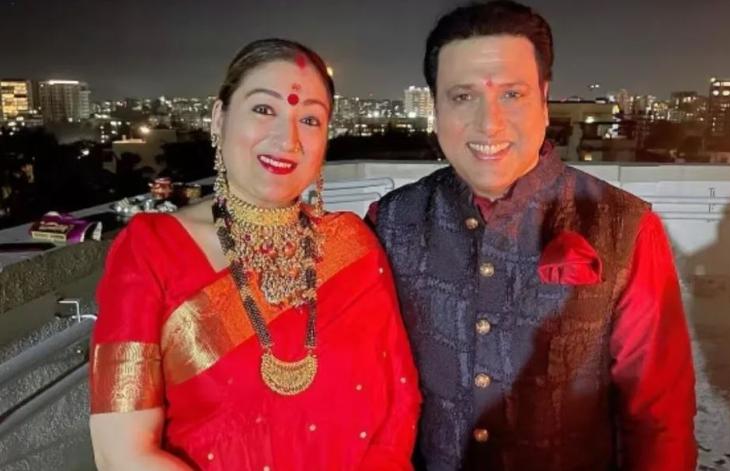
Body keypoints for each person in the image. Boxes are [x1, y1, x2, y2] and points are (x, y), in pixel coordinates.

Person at [369, 1, 696, 470]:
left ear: (544, 99)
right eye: (462, 96)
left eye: (512, 94)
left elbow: (658, 417)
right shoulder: (391, 222)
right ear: (435, 107)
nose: (489, 123)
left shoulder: (623, 226)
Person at [89, 38, 420, 470]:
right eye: (264, 109)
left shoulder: (352, 245)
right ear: (219, 117)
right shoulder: (151, 250)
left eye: (310, 119)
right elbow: (121, 452)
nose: (288, 139)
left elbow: (399, 404)